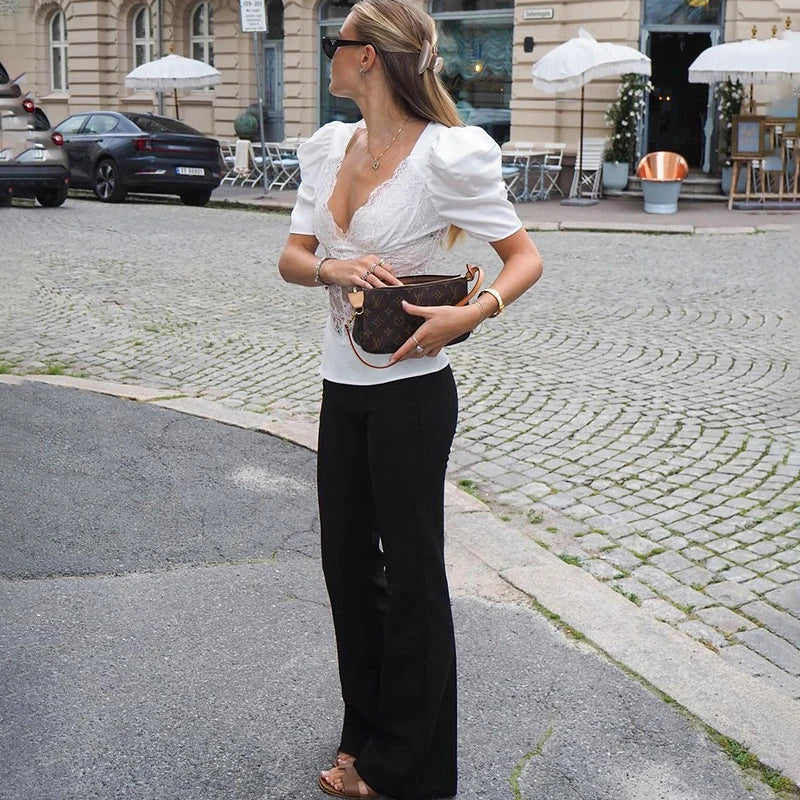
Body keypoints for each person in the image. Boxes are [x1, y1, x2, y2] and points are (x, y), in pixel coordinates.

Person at [277, 1, 543, 797]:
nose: (329, 53)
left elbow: (523, 257)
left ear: (369, 59)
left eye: (337, 42)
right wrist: (334, 268)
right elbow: (292, 256)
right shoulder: (332, 147)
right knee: (349, 568)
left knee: (416, 581)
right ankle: (364, 736)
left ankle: (407, 768)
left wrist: (473, 311)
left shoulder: (445, 157)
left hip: (413, 396)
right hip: (340, 385)